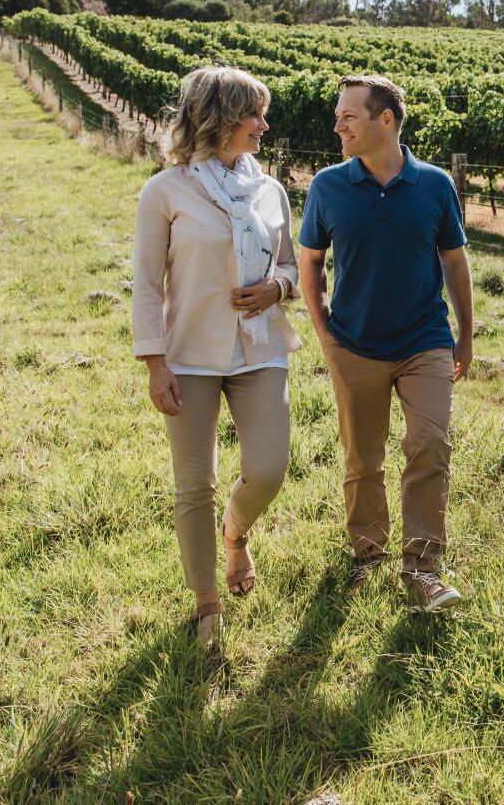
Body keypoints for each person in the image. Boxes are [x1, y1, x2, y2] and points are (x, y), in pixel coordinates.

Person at [131, 66, 303, 647]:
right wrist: (155, 363)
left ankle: (236, 531)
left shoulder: (271, 191)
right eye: (253, 113)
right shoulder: (165, 192)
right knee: (192, 484)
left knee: (268, 469)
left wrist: (277, 288)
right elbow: (147, 285)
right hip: (189, 355)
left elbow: (290, 266)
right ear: (220, 117)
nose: (263, 124)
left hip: (260, 350)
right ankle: (207, 603)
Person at [297, 75, 474, 613]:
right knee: (362, 459)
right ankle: (369, 554)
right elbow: (310, 261)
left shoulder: (435, 184)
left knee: (429, 444)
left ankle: (422, 569)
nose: (338, 125)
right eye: (338, 116)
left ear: (386, 120)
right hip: (353, 344)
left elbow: (454, 261)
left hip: (425, 340)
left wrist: (464, 334)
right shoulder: (327, 186)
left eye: (349, 116)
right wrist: (324, 332)